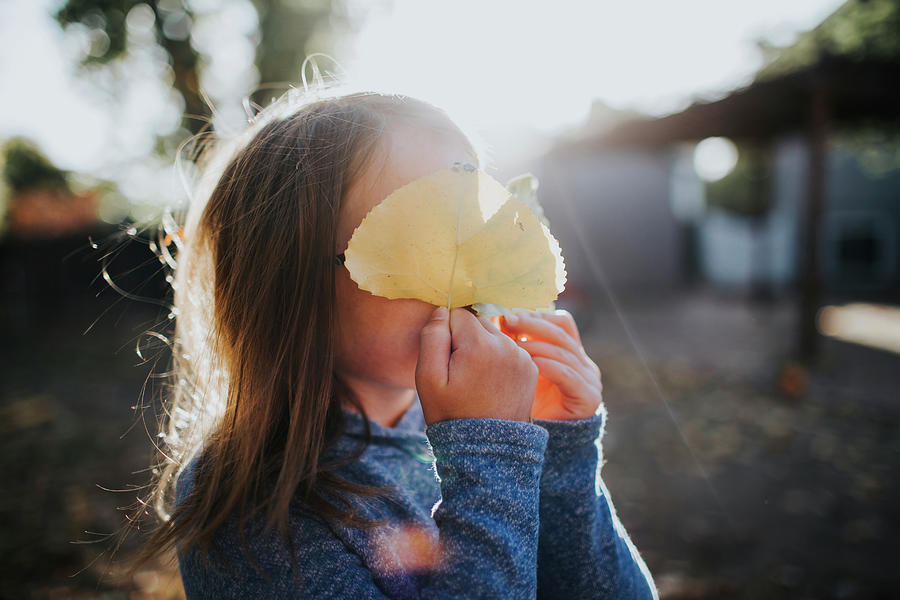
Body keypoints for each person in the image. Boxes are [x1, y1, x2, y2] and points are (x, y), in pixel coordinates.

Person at [134, 86, 658, 599]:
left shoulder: (475, 425)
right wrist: (489, 451)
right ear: (287, 283)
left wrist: (561, 452)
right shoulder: (252, 505)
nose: (470, 275)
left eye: (479, 233)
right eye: (421, 242)